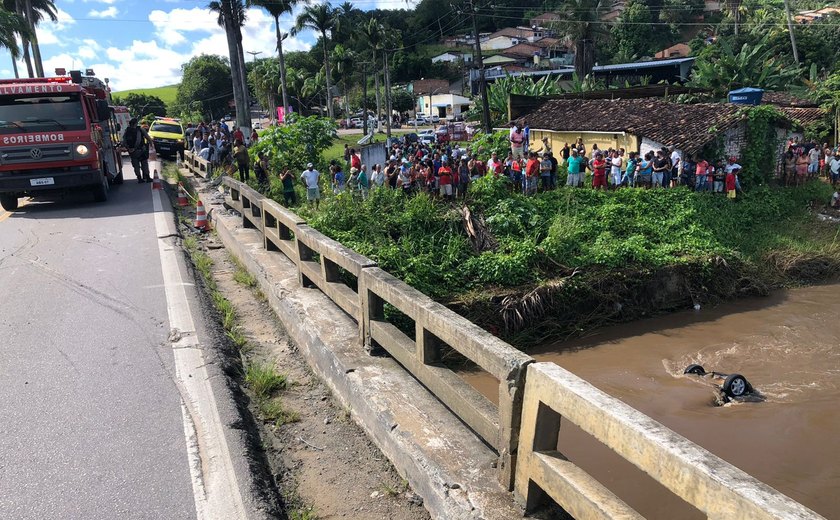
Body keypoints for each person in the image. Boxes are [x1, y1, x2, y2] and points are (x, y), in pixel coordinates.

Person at [122, 118, 152, 183]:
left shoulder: (127, 131)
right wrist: (151, 144)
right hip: (141, 150)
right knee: (144, 164)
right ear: (136, 123)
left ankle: (139, 178)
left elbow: (124, 142)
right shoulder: (140, 130)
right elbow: (148, 138)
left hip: (132, 152)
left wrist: (129, 149)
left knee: (136, 165)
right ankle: (147, 177)